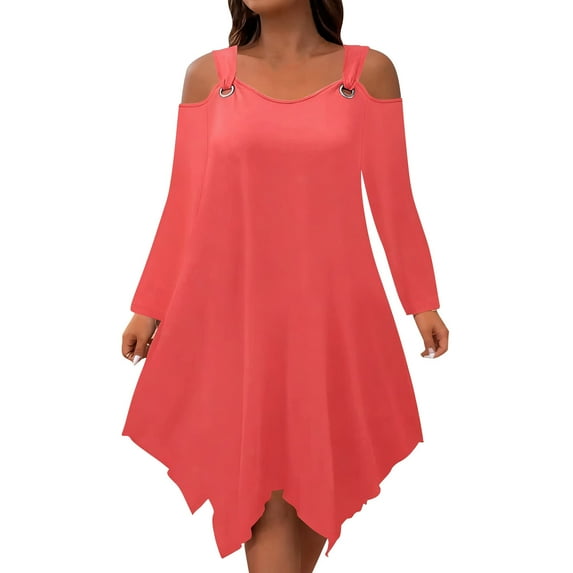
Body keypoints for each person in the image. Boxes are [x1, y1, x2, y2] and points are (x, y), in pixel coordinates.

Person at [121, 1, 449, 571]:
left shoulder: (367, 74)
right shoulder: (210, 77)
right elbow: (183, 201)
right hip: (239, 324)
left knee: (308, 501)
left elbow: (394, 196)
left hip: (332, 324)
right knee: (265, 502)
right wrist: (149, 307)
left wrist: (421, 301)